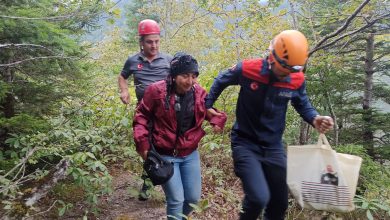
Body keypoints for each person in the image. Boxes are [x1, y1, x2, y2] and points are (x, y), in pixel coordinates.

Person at [205, 30, 334, 220]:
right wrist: (208, 105)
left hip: (273, 146)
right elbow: (221, 80)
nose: (287, 75)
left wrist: (314, 118)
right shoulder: (248, 69)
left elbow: (302, 103)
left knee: (280, 203)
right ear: (272, 58)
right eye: (285, 69)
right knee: (258, 198)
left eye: (292, 70)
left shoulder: (295, 78)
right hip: (245, 143)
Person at [133, 53, 227, 219]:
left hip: (190, 154)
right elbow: (141, 117)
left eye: (194, 76)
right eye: (185, 76)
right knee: (176, 199)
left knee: (192, 199)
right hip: (165, 156)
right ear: (174, 76)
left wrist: (217, 120)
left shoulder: (198, 93)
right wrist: (142, 145)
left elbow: (210, 111)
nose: (190, 81)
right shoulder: (156, 91)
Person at [117, 19, 172, 201]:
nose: (154, 45)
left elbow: (180, 81)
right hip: (144, 113)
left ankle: (159, 185)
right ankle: (151, 181)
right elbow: (122, 76)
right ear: (141, 42)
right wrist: (124, 91)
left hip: (166, 114)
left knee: (164, 149)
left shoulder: (168, 60)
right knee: (145, 149)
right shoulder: (133, 61)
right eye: (149, 42)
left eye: (156, 41)